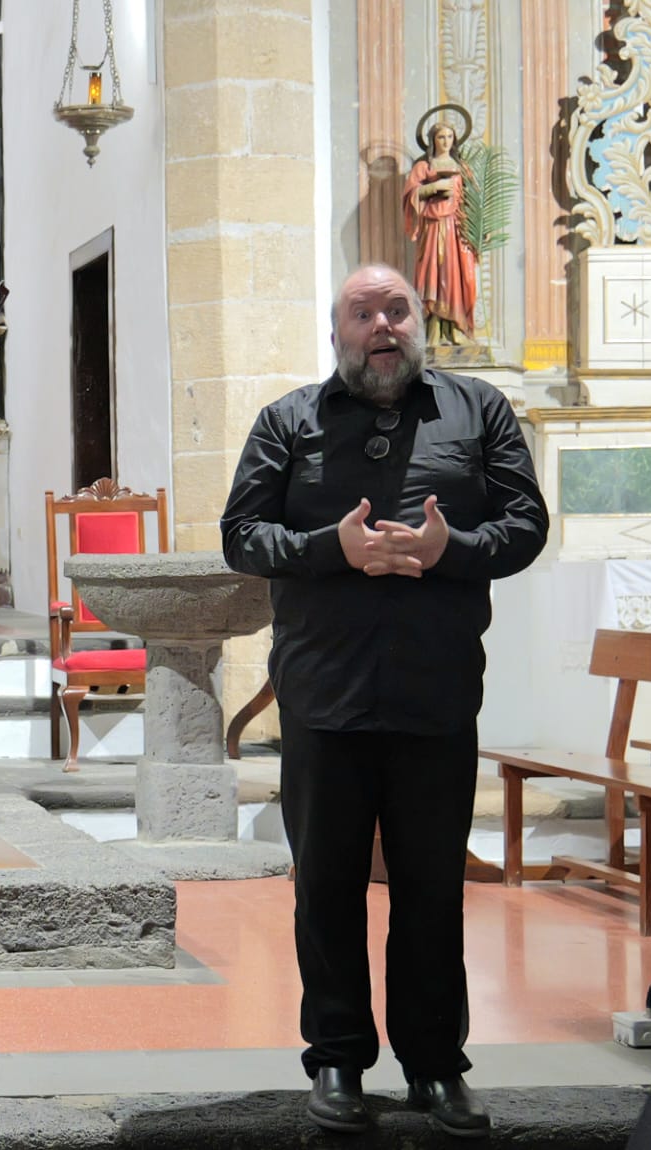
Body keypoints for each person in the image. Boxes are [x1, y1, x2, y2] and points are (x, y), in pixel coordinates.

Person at [221, 263, 547, 1140]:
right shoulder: (289, 421)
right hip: (325, 696)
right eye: (363, 313)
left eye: (396, 310)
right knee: (325, 887)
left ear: (419, 321)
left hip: (434, 693)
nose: (382, 326)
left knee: (433, 891)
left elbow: (527, 525)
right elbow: (241, 535)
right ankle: (336, 1059)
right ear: (338, 331)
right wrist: (336, 547)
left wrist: (452, 549)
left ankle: (437, 1067)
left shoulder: (479, 411)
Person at [402, 120, 477, 346]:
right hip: (433, 229)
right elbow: (410, 196)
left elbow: (475, 201)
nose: (445, 142)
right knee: (434, 274)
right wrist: (432, 188)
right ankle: (433, 330)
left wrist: (479, 231)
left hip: (457, 230)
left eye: (449, 137)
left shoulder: (462, 168)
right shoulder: (424, 167)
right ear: (433, 140)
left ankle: (456, 329)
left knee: (457, 277)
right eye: (441, 137)